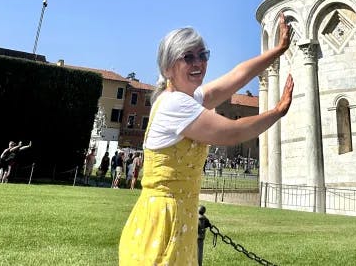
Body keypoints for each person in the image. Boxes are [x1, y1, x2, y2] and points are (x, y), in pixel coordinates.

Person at [119, 13, 294, 265]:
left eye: (203, 55)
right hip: (163, 223)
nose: (198, 62)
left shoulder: (183, 98)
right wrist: (277, 112)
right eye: (187, 57)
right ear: (168, 67)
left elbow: (236, 77)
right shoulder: (176, 104)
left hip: (173, 219)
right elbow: (232, 132)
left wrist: (278, 50)